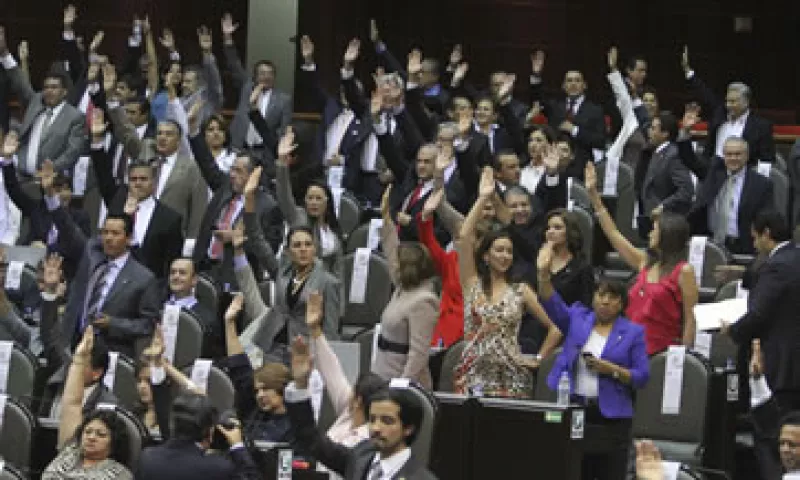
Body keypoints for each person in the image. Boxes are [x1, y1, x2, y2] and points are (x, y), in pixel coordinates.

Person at [538, 243, 649, 480]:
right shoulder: (578, 317)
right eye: (601, 295)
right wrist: (543, 274)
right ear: (593, 298)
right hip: (576, 411)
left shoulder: (633, 332)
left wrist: (613, 370)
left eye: (612, 297)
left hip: (612, 418)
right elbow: (551, 302)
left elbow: (642, 376)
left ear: (621, 303)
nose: (605, 301)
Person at [454, 167, 561, 398]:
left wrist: (538, 358)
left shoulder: (521, 290)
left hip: (512, 379)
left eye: (509, 252)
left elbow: (554, 329)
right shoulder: (472, 283)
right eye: (499, 250)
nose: (505, 256)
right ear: (485, 255)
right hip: (473, 377)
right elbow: (463, 237)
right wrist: (484, 197)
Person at [285, 335, 438, 480]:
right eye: (372, 419)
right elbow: (311, 439)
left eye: (387, 421)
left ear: (408, 428)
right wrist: (301, 384)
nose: (376, 428)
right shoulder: (361, 456)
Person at [587, 161, 698, 355]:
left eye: (655, 230)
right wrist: (594, 197)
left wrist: (682, 359)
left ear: (668, 235)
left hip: (661, 353)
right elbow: (614, 235)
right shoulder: (645, 262)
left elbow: (691, 318)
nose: (649, 235)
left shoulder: (684, 271)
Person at [722, 211, 800, 478]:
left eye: (755, 238)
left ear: (767, 234)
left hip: (782, 367)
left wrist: (733, 331)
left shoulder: (777, 265)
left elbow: (758, 313)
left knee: (774, 440)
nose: (754, 245)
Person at [90, 110, 184, 278]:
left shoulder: (169, 219)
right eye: (133, 179)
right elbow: (104, 176)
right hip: (112, 282)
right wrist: (97, 141)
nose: (138, 183)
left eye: (143, 179)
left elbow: (171, 264)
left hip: (149, 287)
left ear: (154, 183)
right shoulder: (118, 203)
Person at [305, 290, 389, 478]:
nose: (347, 391)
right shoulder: (348, 410)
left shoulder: (371, 439)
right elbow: (331, 369)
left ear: (358, 399)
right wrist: (316, 330)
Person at [43, 326, 133, 480]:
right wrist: (79, 359)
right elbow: (72, 403)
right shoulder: (70, 450)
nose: (91, 437)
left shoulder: (120, 474)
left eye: (101, 434)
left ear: (114, 442)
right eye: (88, 432)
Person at [38, 253, 119, 418]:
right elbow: (50, 337)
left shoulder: (107, 404)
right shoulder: (62, 378)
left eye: (80, 363)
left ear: (97, 373)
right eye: (74, 360)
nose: (71, 367)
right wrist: (51, 292)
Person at [376, 185, 440, 389]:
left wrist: (403, 385)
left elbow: (419, 353)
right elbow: (391, 251)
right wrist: (386, 217)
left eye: (400, 263)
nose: (394, 265)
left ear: (410, 267)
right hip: (383, 372)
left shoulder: (424, 300)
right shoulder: (402, 287)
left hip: (403, 382)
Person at [0, 29, 86, 177]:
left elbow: (72, 152)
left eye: (54, 88)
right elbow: (20, 83)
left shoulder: (75, 117)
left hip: (50, 180)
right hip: (21, 176)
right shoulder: (36, 103)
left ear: (64, 92)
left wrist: (50, 169)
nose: (49, 91)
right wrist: (4, 53)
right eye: (46, 87)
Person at [222, 294, 297, 446]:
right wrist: (229, 323)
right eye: (257, 391)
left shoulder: (296, 427)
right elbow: (238, 365)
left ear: (282, 389)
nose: (259, 395)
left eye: (265, 389)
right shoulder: (255, 412)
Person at [135, 391, 261, 480]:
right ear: (210, 431)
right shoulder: (218, 468)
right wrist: (237, 446)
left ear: (174, 425)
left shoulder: (147, 458)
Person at [681, 45, 774, 164]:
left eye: (733, 101)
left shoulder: (761, 127)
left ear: (746, 102)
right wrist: (688, 71)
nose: (728, 105)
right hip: (714, 172)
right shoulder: (720, 113)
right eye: (727, 101)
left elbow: (767, 161)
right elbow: (704, 93)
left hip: (744, 175)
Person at [222, 12, 292, 166]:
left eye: (270, 74)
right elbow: (234, 65)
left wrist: (277, 151)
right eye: (262, 73)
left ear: (275, 77)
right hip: (240, 148)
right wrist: (228, 39)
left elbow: (283, 129)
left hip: (265, 153)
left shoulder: (283, 99)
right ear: (254, 76)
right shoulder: (247, 87)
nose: (266, 77)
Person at [274, 126, 344, 277]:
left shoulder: (333, 229)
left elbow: (339, 273)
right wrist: (281, 163)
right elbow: (284, 197)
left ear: (327, 201)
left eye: (318, 198)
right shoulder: (298, 217)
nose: (314, 202)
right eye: (310, 198)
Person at [688, 136, 774, 254]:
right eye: (729, 154)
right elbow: (690, 161)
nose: (733, 158)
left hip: (743, 247)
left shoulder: (762, 184)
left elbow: (765, 218)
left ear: (747, 156)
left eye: (738, 154)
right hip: (711, 243)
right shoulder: (712, 176)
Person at [529, 51, 606, 180]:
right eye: (569, 81)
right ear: (564, 86)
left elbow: (600, 140)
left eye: (577, 80)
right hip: (554, 163)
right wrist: (536, 74)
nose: (573, 84)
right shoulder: (555, 106)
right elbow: (537, 98)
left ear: (584, 85)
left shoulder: (595, 110)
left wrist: (575, 130)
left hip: (582, 167)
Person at [637, 112, 694, 233]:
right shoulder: (655, 152)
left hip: (668, 223)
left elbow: (686, 190)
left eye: (653, 128)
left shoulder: (673, 156)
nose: (649, 132)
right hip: (653, 220)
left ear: (665, 133)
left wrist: (663, 206)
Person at [531, 208, 595, 306]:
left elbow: (586, 306)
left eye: (557, 228)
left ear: (570, 232)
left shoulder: (581, 267)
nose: (550, 232)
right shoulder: (536, 259)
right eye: (548, 228)